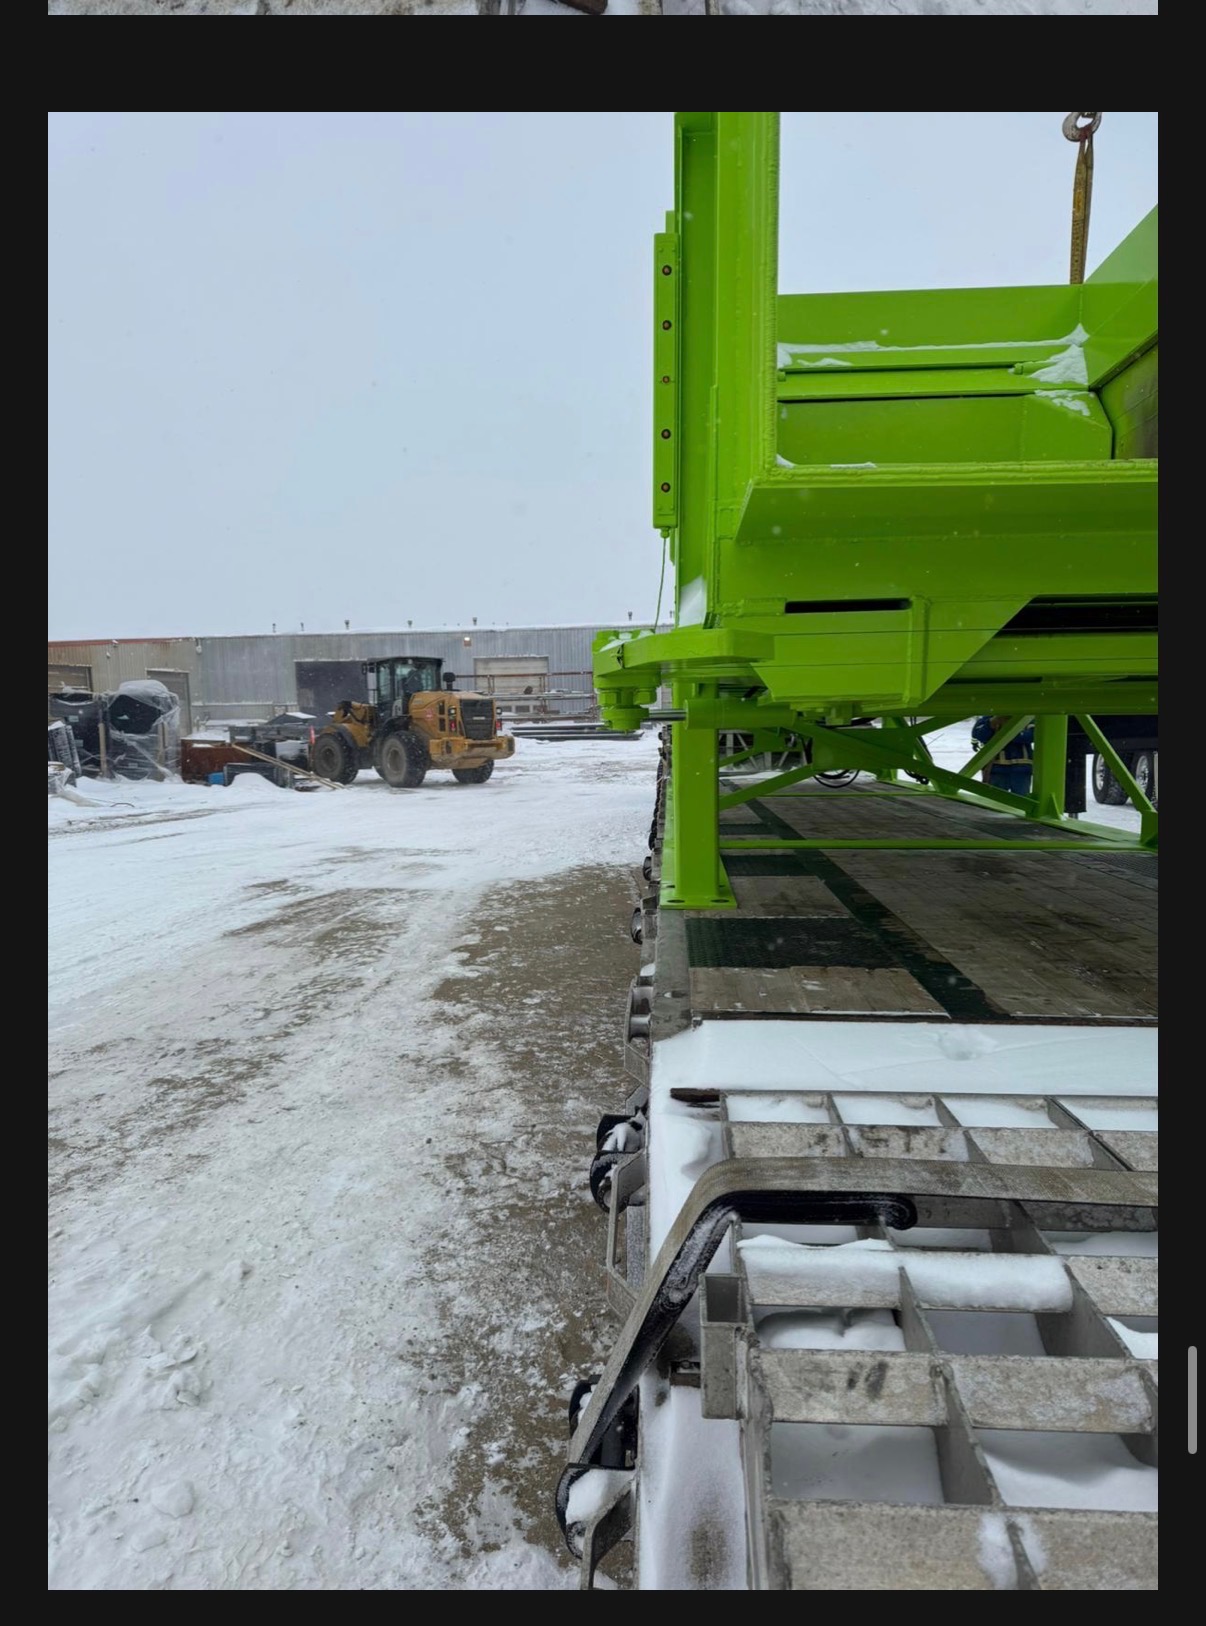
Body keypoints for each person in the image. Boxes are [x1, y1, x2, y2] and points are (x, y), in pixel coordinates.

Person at [971, 715, 1034, 795]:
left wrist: (1003, 730)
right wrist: (992, 723)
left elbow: (1031, 736)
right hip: (997, 769)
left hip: (1020, 770)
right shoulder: (988, 717)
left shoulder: (1027, 718)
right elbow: (979, 735)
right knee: (995, 801)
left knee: (1021, 802)